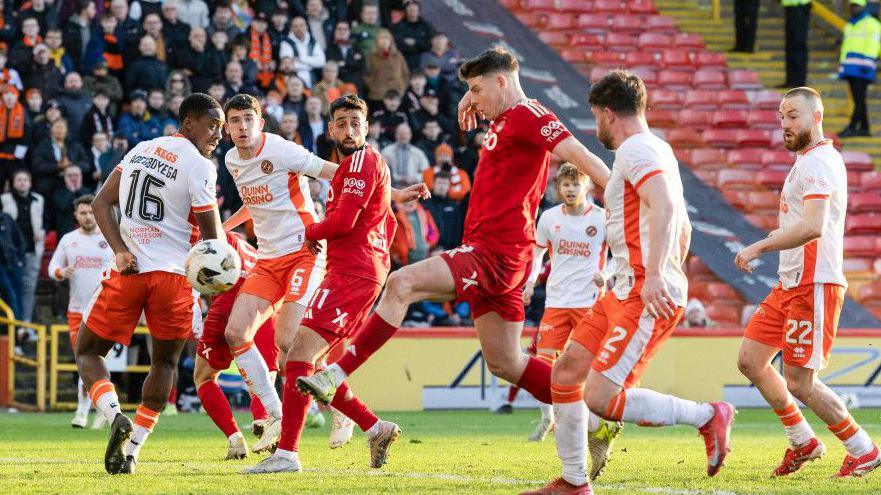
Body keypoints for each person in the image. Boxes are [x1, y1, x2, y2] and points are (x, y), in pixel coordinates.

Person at [295, 49, 611, 470]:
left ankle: (336, 373)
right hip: (495, 252)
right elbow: (494, 109)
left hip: (497, 251)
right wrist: (469, 98)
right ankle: (594, 420)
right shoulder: (503, 115)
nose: (474, 99)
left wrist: (623, 198)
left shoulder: (532, 115)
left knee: (400, 283)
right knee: (507, 362)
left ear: (501, 82)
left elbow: (582, 157)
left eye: (478, 90)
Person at [526, 70, 734, 495]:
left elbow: (666, 203)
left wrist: (658, 272)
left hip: (643, 288)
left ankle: (708, 415)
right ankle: (573, 481)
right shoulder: (654, 148)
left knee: (600, 396)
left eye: (596, 118)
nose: (597, 127)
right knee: (565, 373)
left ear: (606, 113)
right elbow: (682, 221)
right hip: (623, 285)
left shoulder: (636, 150)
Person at [243, 94, 429, 474]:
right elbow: (377, 215)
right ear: (330, 129)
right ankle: (374, 428)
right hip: (351, 271)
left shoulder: (362, 160)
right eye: (341, 124)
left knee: (297, 358)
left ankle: (288, 454)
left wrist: (311, 230)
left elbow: (343, 222)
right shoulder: (356, 166)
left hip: (353, 273)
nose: (348, 130)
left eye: (355, 124)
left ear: (367, 127)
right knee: (311, 362)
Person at [75, 93, 226, 475]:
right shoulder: (201, 165)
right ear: (188, 123)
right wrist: (221, 272)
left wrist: (121, 249)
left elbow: (99, 204)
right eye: (213, 126)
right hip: (174, 277)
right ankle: (134, 451)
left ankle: (114, 417)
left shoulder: (142, 148)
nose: (218, 135)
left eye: (221, 129)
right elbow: (212, 240)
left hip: (129, 269)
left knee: (88, 352)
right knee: (165, 363)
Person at [735, 87, 880, 478]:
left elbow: (814, 226)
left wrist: (759, 247)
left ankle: (862, 448)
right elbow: (804, 221)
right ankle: (803, 440)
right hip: (791, 283)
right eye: (781, 116)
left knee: (800, 382)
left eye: (793, 116)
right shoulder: (809, 161)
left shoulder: (819, 164)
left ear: (816, 117)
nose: (784, 124)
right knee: (751, 360)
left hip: (813, 283)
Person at [516, 164, 616, 454]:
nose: (571, 190)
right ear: (559, 188)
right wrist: (531, 282)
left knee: (590, 365)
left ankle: (595, 423)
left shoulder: (602, 218)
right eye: (566, 185)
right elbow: (538, 253)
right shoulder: (549, 218)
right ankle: (548, 418)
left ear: (587, 187)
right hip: (557, 302)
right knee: (544, 365)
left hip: (590, 302)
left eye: (576, 184)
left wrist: (606, 275)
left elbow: (618, 254)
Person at [193, 231, 280, 460]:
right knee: (264, 376)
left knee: (204, 377)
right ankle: (265, 421)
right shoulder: (254, 251)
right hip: (262, 306)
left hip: (228, 302)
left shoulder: (217, 237)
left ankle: (235, 439)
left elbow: (202, 272)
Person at [47, 195, 113, 429]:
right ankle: (84, 410)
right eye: (83, 213)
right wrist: (60, 272)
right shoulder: (68, 240)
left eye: (91, 212)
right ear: (76, 215)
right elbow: (52, 266)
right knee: (84, 361)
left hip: (106, 309)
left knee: (101, 361)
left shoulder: (109, 238)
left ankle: (103, 410)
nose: (87, 216)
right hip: (77, 311)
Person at [1, 169, 44, 325]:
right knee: (12, 290)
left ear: (30, 183)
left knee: (28, 288)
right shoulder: (4, 199)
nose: (22, 182)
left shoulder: (38, 199)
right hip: (10, 254)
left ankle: (26, 323)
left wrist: (42, 232)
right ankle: (14, 325)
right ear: (13, 182)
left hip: (32, 250)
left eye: (25, 179)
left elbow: (44, 221)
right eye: (19, 179)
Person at [837, 0, 881, 138]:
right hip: (850, 67)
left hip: (863, 67)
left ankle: (852, 127)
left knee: (859, 99)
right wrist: (842, 65)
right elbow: (846, 46)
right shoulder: (850, 24)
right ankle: (865, 127)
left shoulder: (872, 24)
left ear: (863, 6)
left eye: (856, 6)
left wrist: (867, 64)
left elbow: (873, 45)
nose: (854, 8)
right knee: (859, 99)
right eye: (852, 5)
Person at [382, 122, 429, 188]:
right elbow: (381, 171)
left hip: (413, 189)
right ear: (396, 135)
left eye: (405, 134)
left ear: (410, 135)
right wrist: (397, 178)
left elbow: (426, 172)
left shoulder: (418, 153)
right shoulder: (386, 151)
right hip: (391, 189)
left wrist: (413, 178)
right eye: (400, 134)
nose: (403, 136)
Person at [392, 0, 435, 70]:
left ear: (418, 10)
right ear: (405, 11)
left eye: (414, 8)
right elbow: (397, 45)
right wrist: (418, 46)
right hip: (403, 63)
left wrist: (415, 42)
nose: (412, 10)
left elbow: (429, 45)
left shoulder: (427, 26)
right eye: (410, 8)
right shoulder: (397, 27)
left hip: (423, 63)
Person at [780, 0, 812, 88]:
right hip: (790, 7)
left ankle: (799, 81)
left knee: (799, 44)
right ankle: (790, 80)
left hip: (800, 6)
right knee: (790, 45)